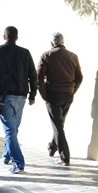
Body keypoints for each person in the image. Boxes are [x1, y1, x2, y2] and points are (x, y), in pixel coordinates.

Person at [0, 26, 38, 173]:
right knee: (13, 129)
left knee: (10, 131)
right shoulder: (25, 53)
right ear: (17, 37)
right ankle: (6, 156)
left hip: (4, 97)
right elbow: (32, 75)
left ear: (4, 37)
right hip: (21, 96)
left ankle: (18, 164)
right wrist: (32, 95)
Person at [37, 32, 83, 166]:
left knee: (57, 125)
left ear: (52, 43)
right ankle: (52, 147)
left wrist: (44, 94)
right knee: (59, 124)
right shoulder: (73, 56)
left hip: (53, 94)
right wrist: (73, 90)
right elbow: (79, 77)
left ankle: (65, 157)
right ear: (63, 42)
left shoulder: (46, 55)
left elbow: (39, 77)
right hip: (68, 95)